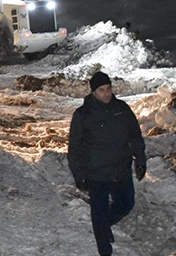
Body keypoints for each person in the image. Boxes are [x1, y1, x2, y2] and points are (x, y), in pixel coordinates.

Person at [68, 71, 147, 256]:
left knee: (126, 204)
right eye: (102, 90)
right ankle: (105, 249)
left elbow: (135, 135)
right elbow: (75, 148)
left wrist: (140, 159)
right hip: (96, 173)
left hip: (121, 169)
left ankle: (104, 226)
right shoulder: (82, 115)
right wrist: (79, 174)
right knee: (99, 212)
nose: (107, 93)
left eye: (109, 89)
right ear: (93, 92)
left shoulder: (122, 109)